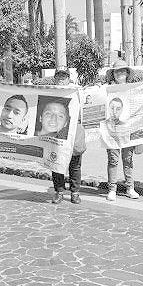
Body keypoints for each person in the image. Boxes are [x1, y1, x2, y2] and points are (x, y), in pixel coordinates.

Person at [103, 60, 141, 201]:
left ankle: (130, 187)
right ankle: (112, 189)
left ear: (127, 73)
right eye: (117, 71)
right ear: (113, 74)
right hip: (111, 130)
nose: (120, 73)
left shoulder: (132, 89)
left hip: (127, 129)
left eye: (123, 70)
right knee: (113, 160)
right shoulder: (107, 89)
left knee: (128, 159)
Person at [50, 70, 85, 205]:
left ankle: (75, 192)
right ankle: (59, 191)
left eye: (64, 76)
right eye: (58, 76)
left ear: (68, 78)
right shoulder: (50, 91)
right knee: (56, 163)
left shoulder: (78, 91)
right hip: (56, 132)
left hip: (74, 131)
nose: (61, 78)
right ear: (55, 78)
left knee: (75, 164)